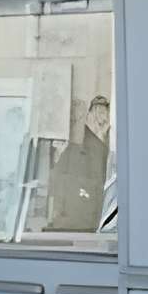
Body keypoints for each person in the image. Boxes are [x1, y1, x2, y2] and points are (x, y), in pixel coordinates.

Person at [46, 95, 112, 235]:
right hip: (72, 230)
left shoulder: (101, 148)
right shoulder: (72, 151)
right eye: (98, 114)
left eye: (104, 115)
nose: (102, 119)